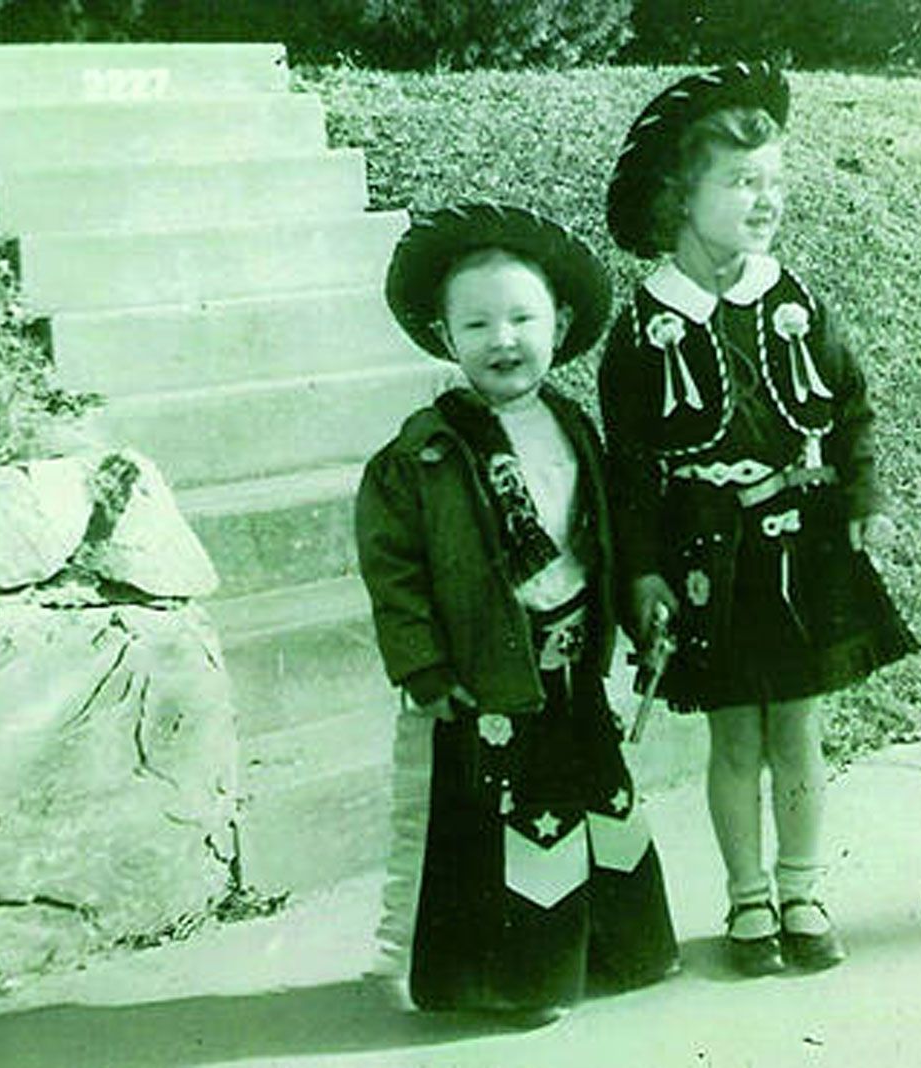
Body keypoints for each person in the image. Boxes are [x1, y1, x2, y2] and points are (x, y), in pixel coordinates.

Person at [599, 63, 918, 977]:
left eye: (775, 182)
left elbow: (852, 408)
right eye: (741, 184)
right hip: (709, 554)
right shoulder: (644, 325)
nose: (765, 201)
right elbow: (629, 469)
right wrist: (645, 573)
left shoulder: (797, 302)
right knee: (736, 733)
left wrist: (863, 498)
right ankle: (746, 901)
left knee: (800, 730)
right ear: (679, 199)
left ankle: (804, 889)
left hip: (802, 543)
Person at [355, 202, 679, 1024]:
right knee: (513, 821)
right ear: (444, 336)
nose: (503, 339)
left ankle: (615, 951)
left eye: (522, 317)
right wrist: (422, 666)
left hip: (574, 662)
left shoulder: (573, 425)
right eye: (478, 323)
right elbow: (395, 572)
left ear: (559, 323)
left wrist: (636, 613)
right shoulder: (424, 453)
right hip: (490, 670)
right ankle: (521, 977)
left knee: (597, 800)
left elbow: (602, 532)